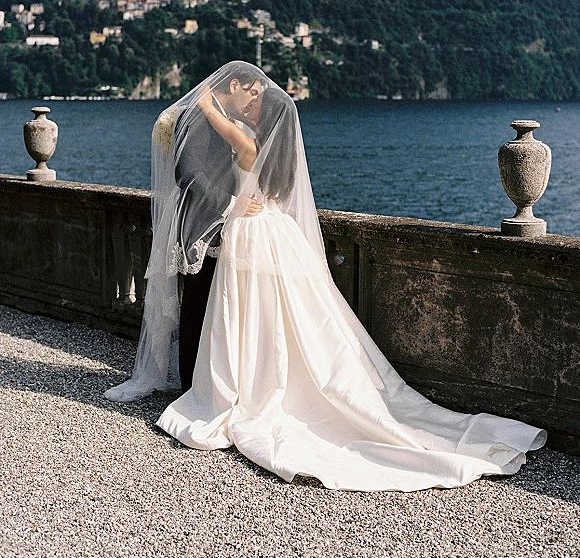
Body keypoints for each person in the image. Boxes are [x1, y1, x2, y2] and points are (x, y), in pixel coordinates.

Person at [155, 64, 546, 492]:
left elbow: (237, 151)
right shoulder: (278, 148)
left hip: (253, 236)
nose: (250, 105)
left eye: (256, 104)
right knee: (278, 317)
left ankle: (248, 387)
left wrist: (208, 106)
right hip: (271, 230)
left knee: (249, 317)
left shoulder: (249, 142)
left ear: (265, 120)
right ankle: (260, 381)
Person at [104, 61, 265, 402]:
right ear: (234, 85)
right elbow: (188, 173)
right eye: (251, 92)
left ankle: (203, 382)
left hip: (218, 225)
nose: (252, 100)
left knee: (211, 305)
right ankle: (192, 387)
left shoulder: (219, 116)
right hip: (202, 226)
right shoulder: (197, 115)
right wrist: (231, 203)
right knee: (197, 305)